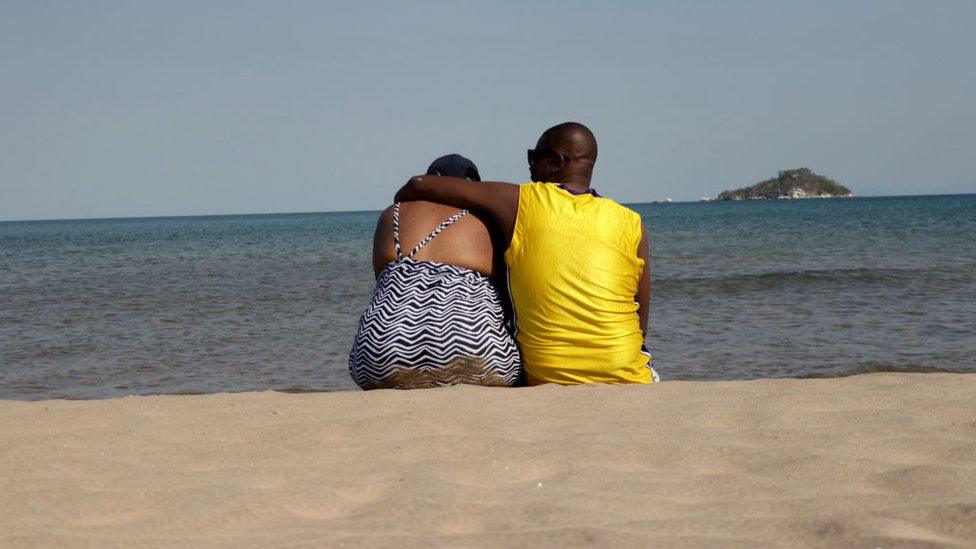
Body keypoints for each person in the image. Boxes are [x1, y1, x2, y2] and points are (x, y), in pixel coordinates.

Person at [395, 123, 658, 385]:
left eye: (534, 156)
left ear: (557, 161)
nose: (529, 166)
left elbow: (418, 185)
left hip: (547, 376)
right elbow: (640, 324)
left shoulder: (522, 201)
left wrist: (403, 211)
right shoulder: (631, 222)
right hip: (628, 375)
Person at [348, 154, 522, 389]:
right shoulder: (486, 219)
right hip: (470, 349)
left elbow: (384, 286)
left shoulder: (392, 214)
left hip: (380, 351)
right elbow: (506, 301)